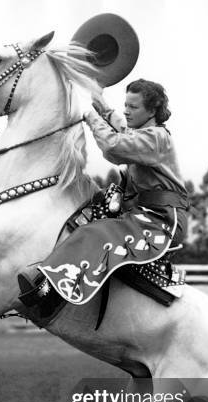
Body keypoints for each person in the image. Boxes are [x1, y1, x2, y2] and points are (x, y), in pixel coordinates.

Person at [18, 79, 189, 319]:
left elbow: (112, 146)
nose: (127, 111)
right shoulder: (139, 132)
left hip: (163, 219)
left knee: (98, 232)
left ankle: (53, 293)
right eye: (125, 105)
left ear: (152, 111)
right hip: (144, 213)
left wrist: (89, 114)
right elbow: (115, 121)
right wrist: (93, 91)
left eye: (134, 107)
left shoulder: (156, 138)